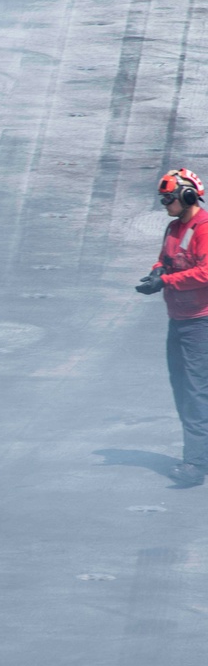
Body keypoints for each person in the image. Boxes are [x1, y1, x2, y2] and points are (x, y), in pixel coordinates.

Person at [136, 168, 208, 487]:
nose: (165, 205)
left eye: (168, 199)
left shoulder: (205, 229)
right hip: (178, 321)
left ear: (187, 196)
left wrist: (166, 281)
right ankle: (200, 453)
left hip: (201, 324)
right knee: (182, 388)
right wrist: (157, 272)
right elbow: (164, 259)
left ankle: (195, 463)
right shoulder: (173, 228)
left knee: (195, 392)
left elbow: (206, 273)